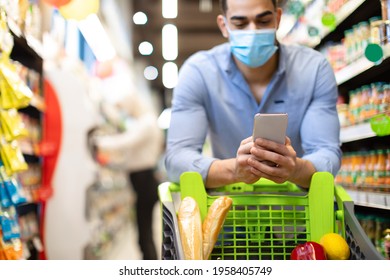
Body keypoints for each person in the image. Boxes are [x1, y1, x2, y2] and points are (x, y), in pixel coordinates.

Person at [165, 0, 342, 189]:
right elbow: (177, 159)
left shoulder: (314, 69)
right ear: (224, 25)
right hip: (230, 206)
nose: (253, 31)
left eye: (264, 21)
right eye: (240, 24)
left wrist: (296, 169)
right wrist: (234, 170)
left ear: (278, 18)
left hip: (298, 207)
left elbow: (327, 153)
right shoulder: (198, 72)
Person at [94, 59, 164, 259]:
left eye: (126, 107)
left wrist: (99, 143)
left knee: (144, 233)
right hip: (142, 179)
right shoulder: (144, 122)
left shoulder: (147, 123)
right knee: (143, 231)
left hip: (145, 180)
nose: (125, 112)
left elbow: (125, 142)